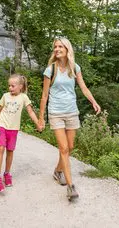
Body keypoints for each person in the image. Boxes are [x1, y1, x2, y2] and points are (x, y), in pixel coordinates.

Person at [38, 38, 101, 201]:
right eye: (55, 47)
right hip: (56, 113)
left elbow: (83, 87)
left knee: (70, 147)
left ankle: (58, 171)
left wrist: (93, 101)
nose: (57, 49)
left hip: (72, 112)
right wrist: (41, 118)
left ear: (67, 49)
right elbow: (44, 95)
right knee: (64, 148)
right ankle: (71, 187)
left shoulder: (74, 67)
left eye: (60, 46)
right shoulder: (50, 70)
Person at [0, 74, 40, 192]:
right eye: (9, 86)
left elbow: (30, 111)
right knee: (1, 148)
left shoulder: (24, 97)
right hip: (1, 126)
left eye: (13, 86)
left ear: (20, 86)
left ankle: (7, 174)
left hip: (13, 129)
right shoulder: (5, 96)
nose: (10, 88)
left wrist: (37, 123)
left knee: (10, 151)